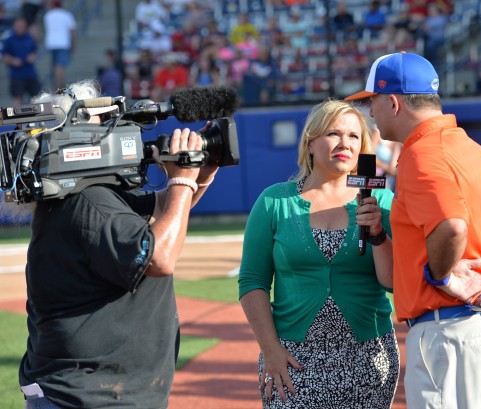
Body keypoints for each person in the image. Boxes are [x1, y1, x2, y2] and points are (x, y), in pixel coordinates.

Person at [14, 79, 219, 408]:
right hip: (90, 397)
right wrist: (182, 178)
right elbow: (159, 257)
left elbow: (165, 211)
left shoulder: (85, 198)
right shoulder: (90, 202)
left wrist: (200, 174)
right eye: (107, 124)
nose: (119, 133)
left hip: (85, 393)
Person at [345, 52, 481, 409]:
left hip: (454, 329)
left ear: (393, 102)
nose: (369, 113)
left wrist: (440, 276)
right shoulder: (465, 145)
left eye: (371, 102)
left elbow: (452, 226)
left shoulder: (423, 153)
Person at [239, 99, 400, 408]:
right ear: (310, 143)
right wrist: (270, 349)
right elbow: (252, 282)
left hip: (368, 357)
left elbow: (392, 282)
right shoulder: (274, 201)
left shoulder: (380, 200)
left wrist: (378, 234)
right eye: (333, 133)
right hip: (291, 358)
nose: (345, 143)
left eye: (354, 136)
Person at [1, 16, 41, 105]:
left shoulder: (29, 37)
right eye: (19, 26)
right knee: (17, 99)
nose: (21, 28)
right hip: (16, 74)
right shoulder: (9, 39)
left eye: (23, 26)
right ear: (14, 26)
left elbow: (35, 50)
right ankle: (16, 118)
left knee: (36, 98)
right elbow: (4, 55)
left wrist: (33, 56)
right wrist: (12, 60)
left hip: (30, 73)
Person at [43, 0, 77, 89]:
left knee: (55, 65)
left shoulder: (48, 15)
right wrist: (74, 43)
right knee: (60, 65)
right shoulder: (67, 15)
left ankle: (58, 84)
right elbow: (72, 31)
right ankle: (59, 85)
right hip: (63, 43)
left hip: (51, 43)